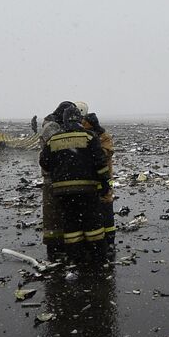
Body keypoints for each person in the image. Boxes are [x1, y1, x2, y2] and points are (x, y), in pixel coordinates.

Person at [39, 104, 112, 261]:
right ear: (79, 119)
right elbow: (100, 162)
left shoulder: (53, 139)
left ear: (63, 121)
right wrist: (105, 183)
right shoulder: (89, 136)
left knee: (71, 224)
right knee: (93, 223)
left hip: (63, 192)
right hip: (87, 190)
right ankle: (97, 255)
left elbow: (44, 162)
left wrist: (60, 168)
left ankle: (75, 256)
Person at [81, 104, 117, 250]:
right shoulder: (88, 137)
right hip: (91, 178)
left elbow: (105, 154)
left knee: (106, 205)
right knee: (93, 208)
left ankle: (109, 239)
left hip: (106, 177)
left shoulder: (104, 137)